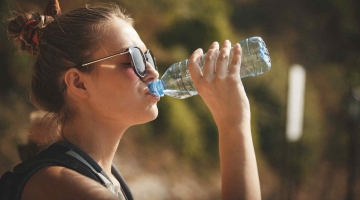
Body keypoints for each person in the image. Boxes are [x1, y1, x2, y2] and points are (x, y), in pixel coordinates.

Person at [4, 0, 261, 199]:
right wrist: (233, 124)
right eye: (135, 60)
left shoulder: (104, 178)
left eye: (149, 58)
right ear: (79, 83)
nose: (153, 72)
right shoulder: (59, 183)